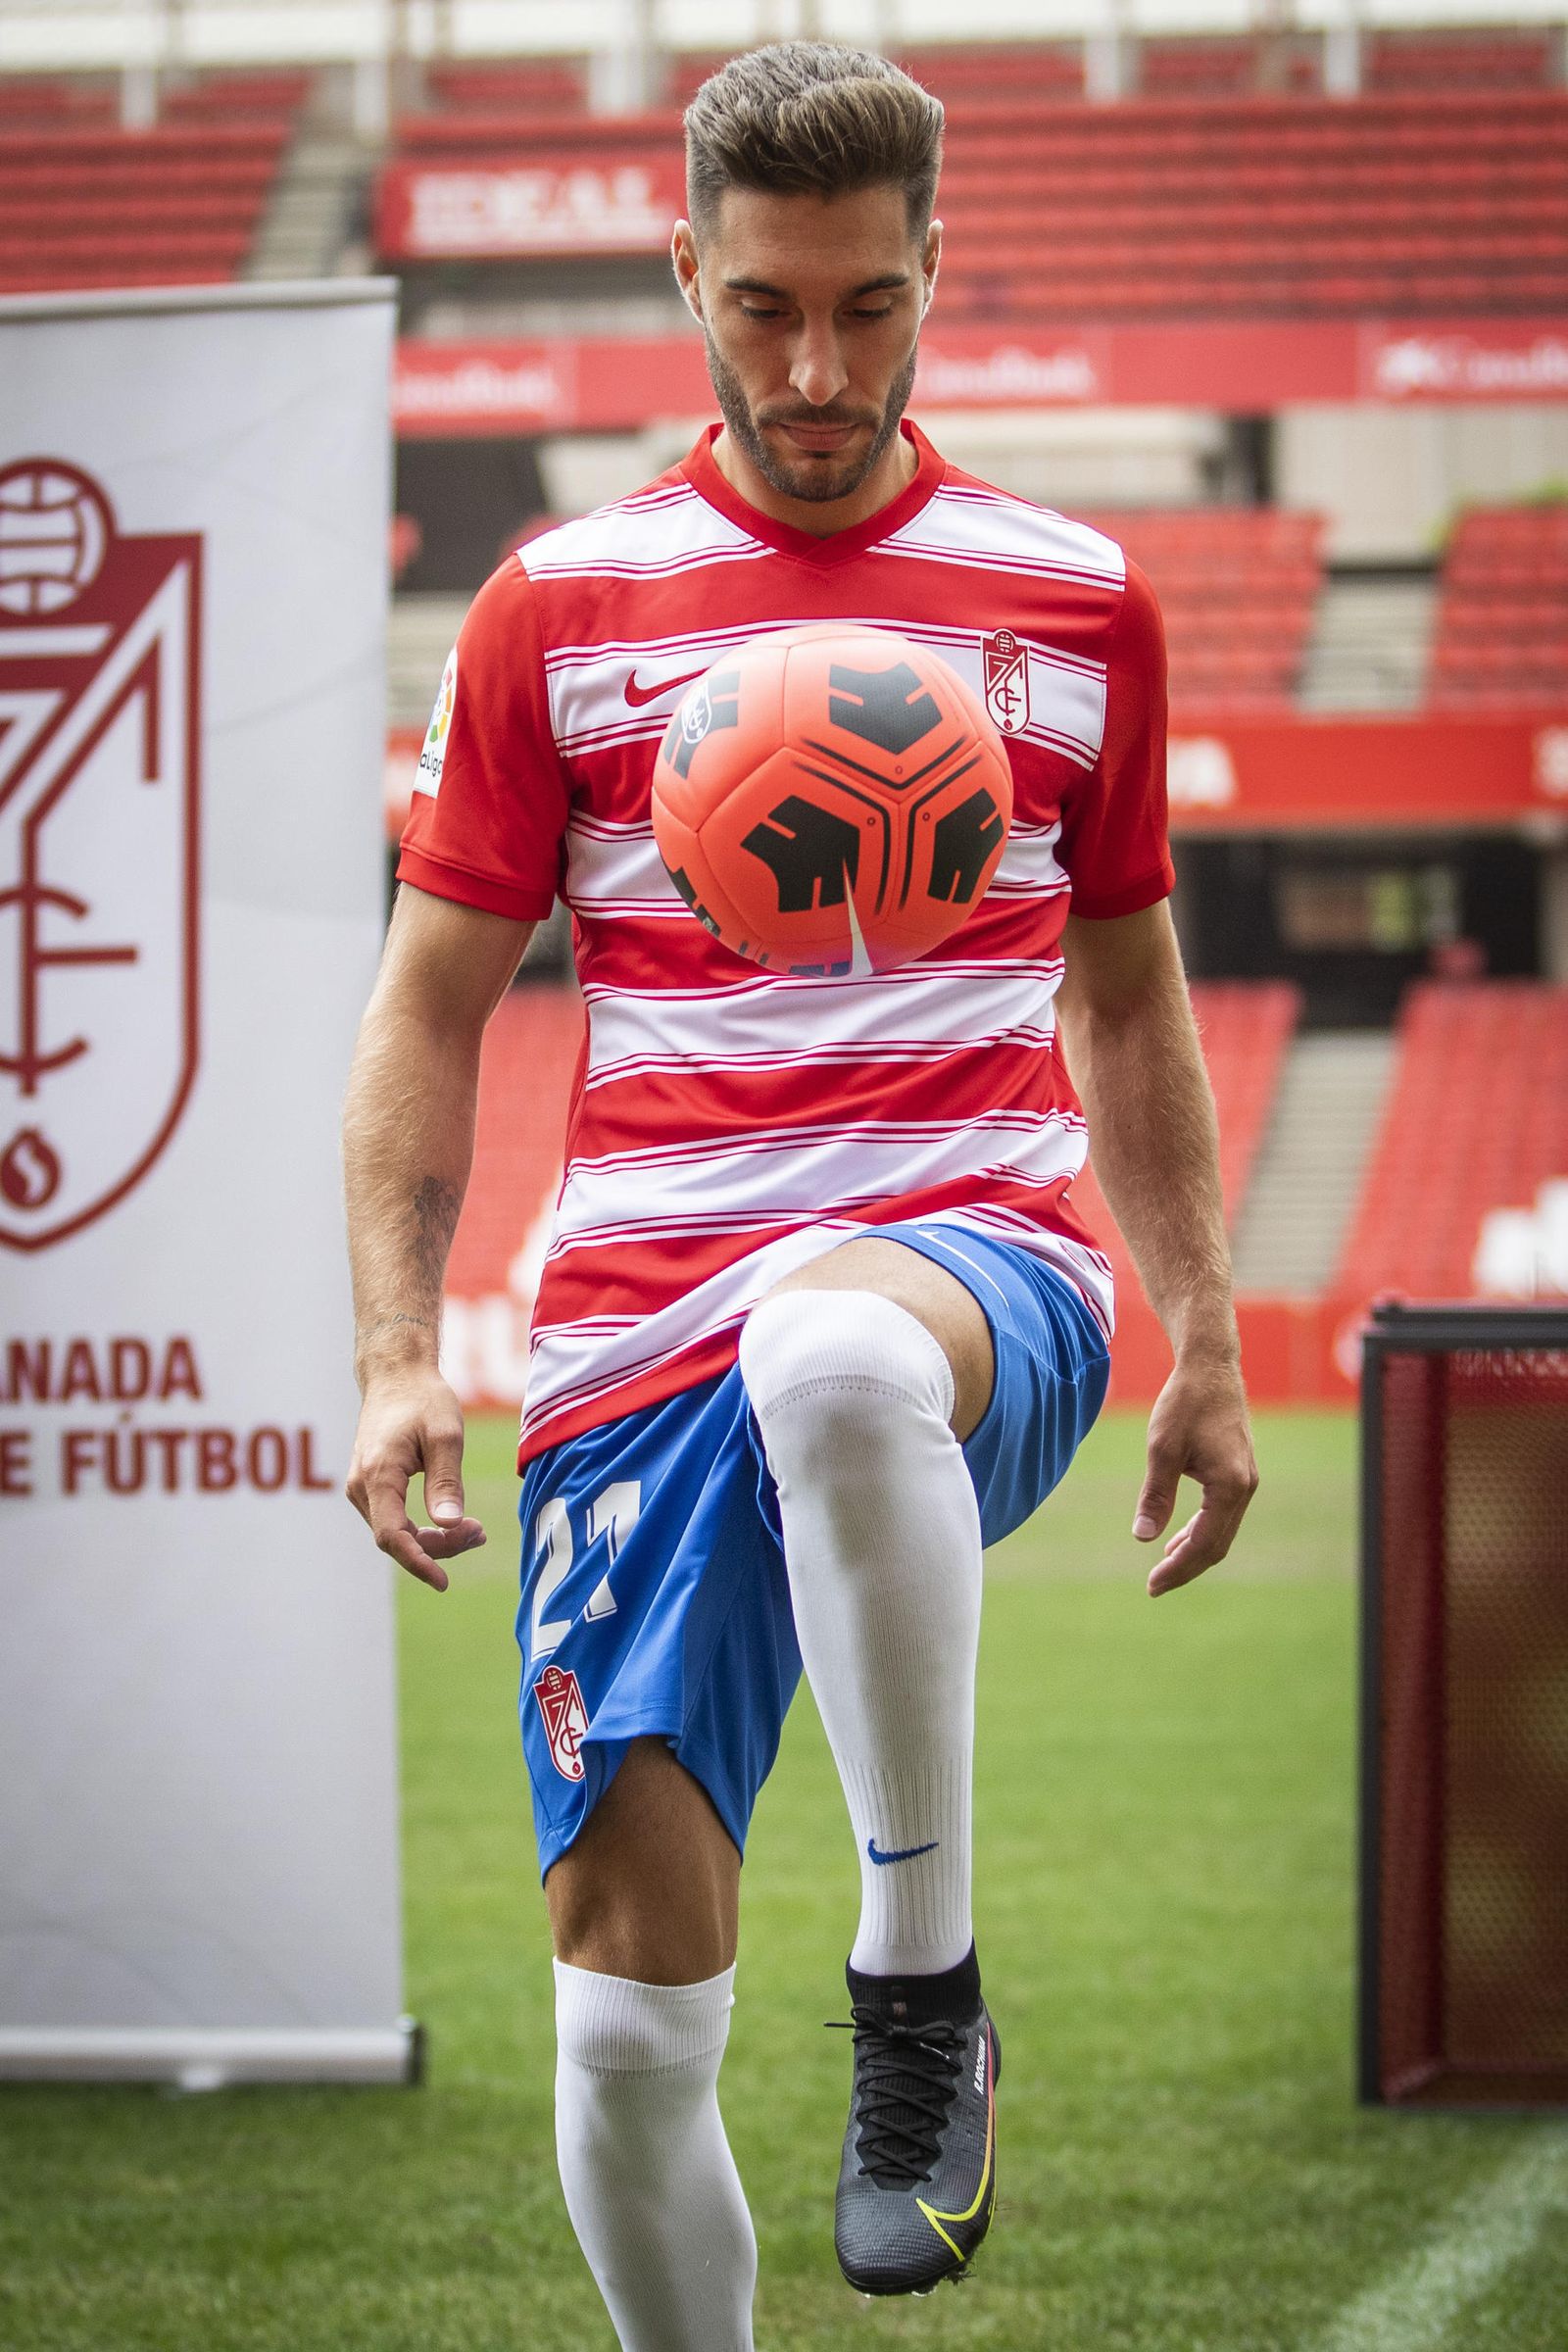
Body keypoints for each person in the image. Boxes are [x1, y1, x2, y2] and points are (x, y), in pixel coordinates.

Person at [344, 40, 1258, 2350]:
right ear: (686, 275)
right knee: (627, 2040)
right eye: (763, 308)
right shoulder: (554, 613)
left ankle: (920, 1987)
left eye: (865, 306)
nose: (816, 365)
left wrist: (1210, 1341)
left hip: (978, 1270)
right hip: (634, 1338)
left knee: (834, 1350)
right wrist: (388, 1350)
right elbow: (424, 1010)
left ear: (934, 275)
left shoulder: (1069, 602)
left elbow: (1133, 1006)